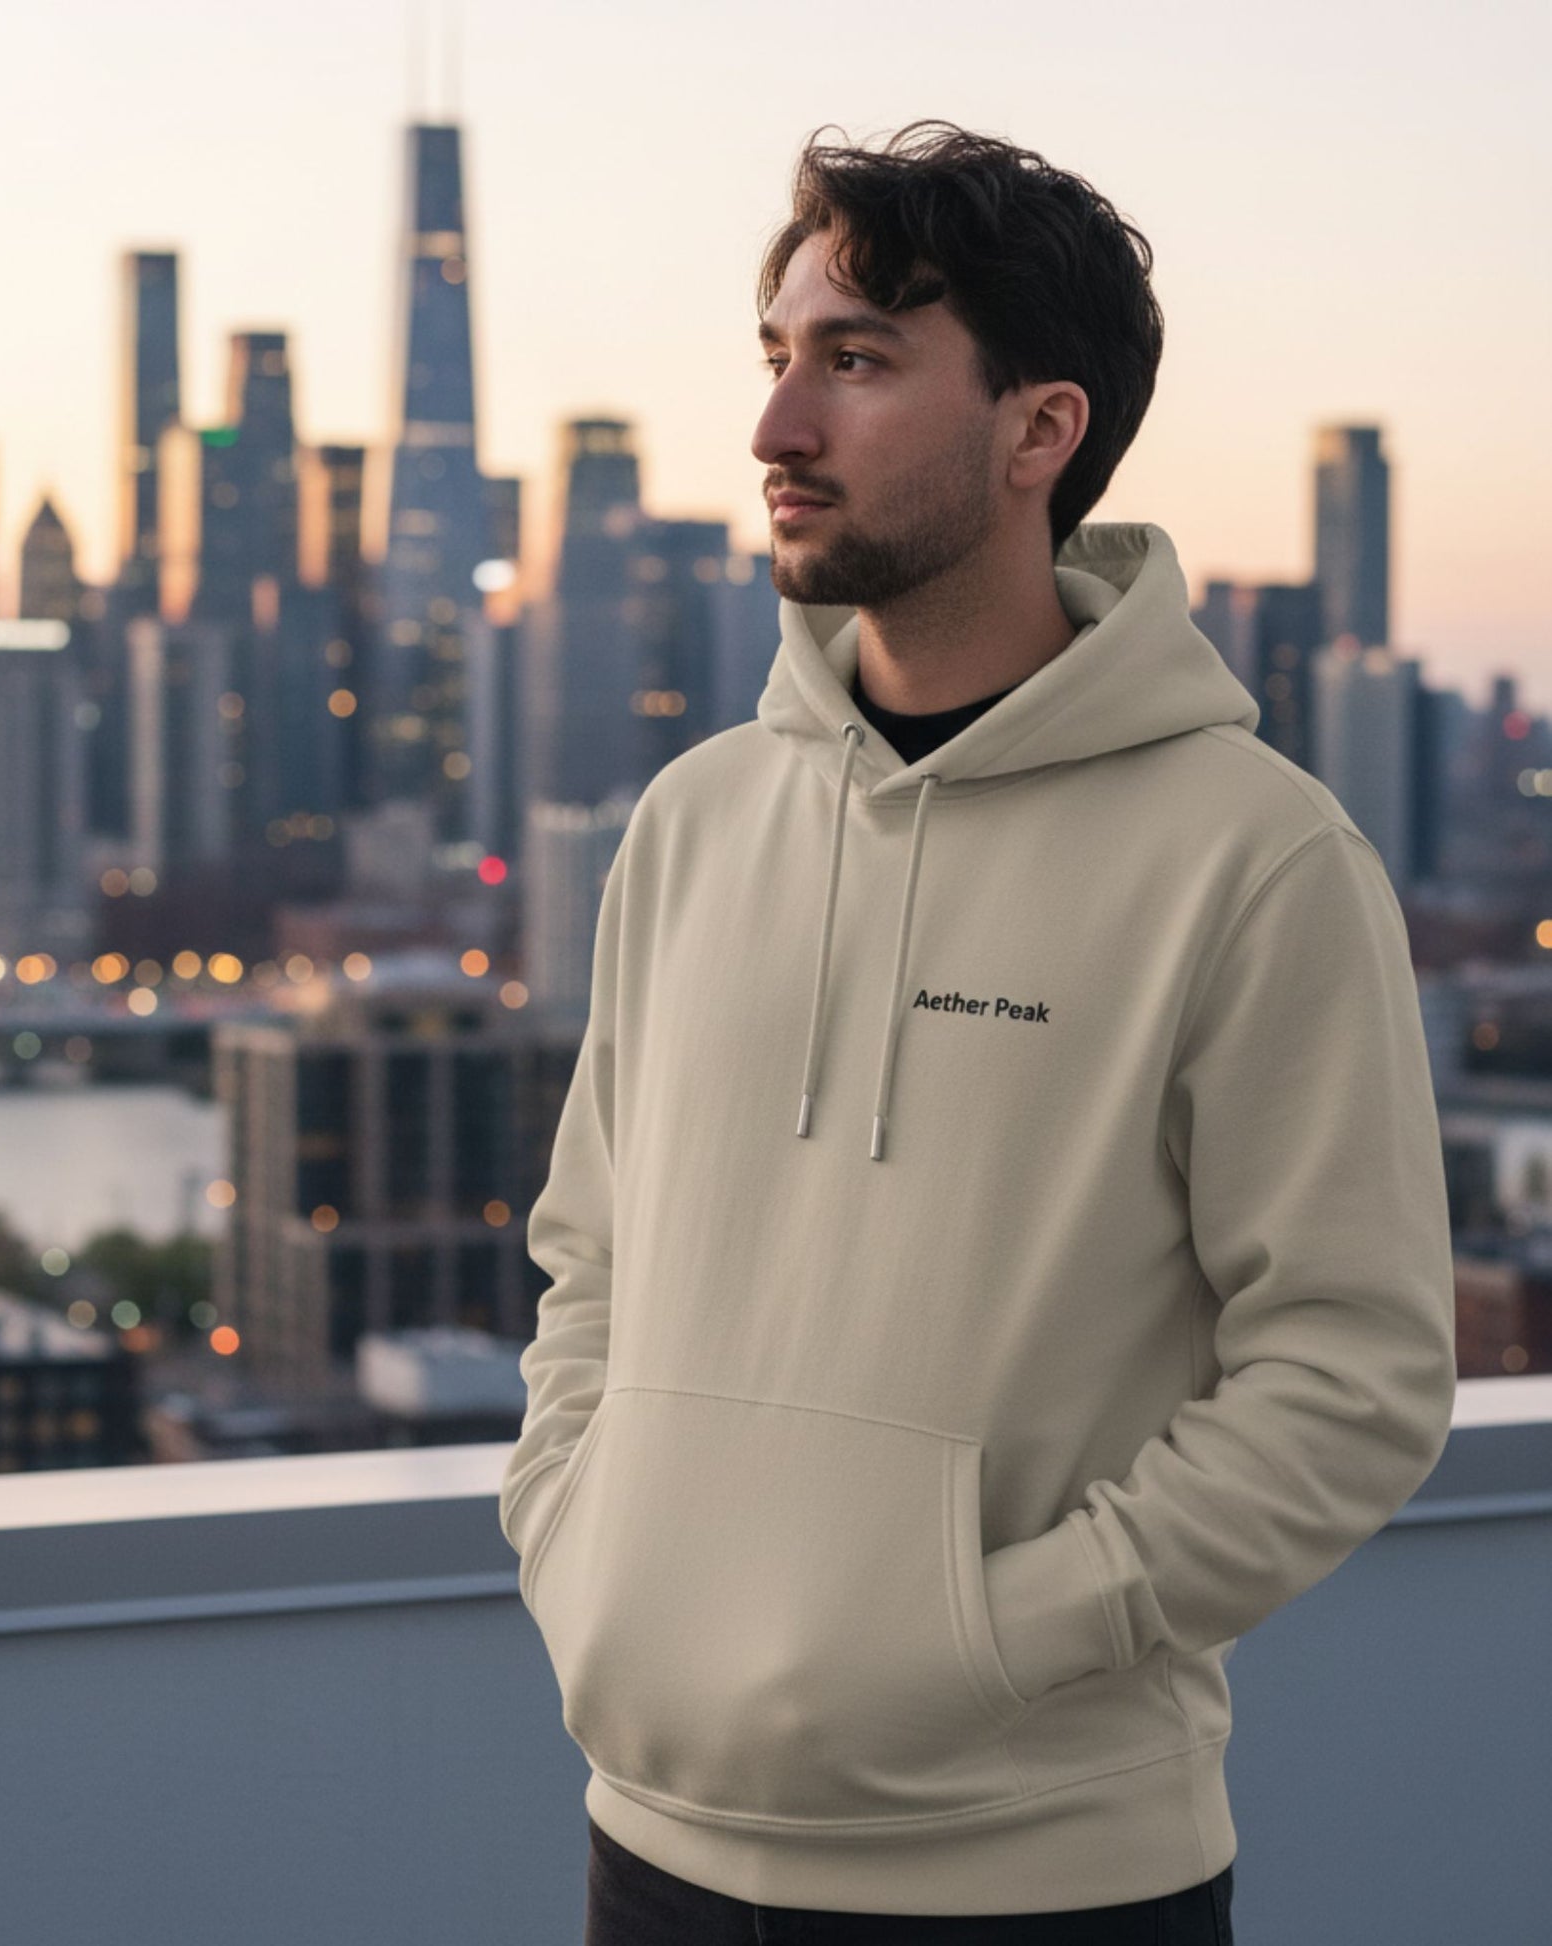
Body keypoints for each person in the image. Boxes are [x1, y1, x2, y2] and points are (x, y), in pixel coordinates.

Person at [498, 118, 1457, 1942]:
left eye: (855, 362)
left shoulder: (1253, 861)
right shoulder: (693, 821)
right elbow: (591, 1265)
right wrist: (578, 1539)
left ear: (1039, 431)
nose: (780, 427)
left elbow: (1352, 1377)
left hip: (1044, 1882)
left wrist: (995, 1634)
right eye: (777, 360)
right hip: (652, 1853)